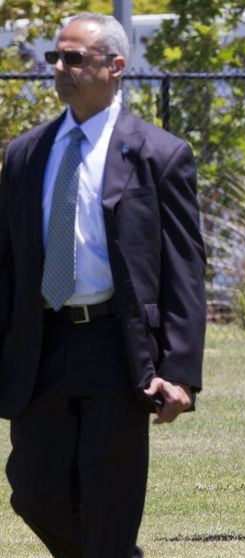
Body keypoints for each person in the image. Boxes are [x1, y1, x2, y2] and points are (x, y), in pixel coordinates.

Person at [0, 14, 206, 558]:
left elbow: (184, 268)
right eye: (55, 59)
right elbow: (7, 263)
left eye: (75, 59)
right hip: (43, 344)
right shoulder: (25, 154)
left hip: (117, 345)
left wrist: (180, 371)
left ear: (116, 67)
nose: (61, 69)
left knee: (110, 497)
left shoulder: (159, 153)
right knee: (34, 492)